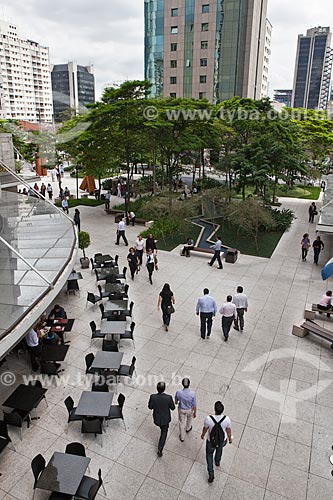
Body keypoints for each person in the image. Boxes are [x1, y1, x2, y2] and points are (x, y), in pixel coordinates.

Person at [201, 401, 233, 483]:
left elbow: (205, 428)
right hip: (222, 440)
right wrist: (230, 438)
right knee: (220, 449)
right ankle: (217, 461)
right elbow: (228, 431)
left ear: (214, 409)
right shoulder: (226, 419)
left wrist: (202, 435)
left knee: (209, 455)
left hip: (211, 441)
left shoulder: (208, 419)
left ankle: (211, 473)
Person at [148, 381, 175, 457]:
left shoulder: (153, 397)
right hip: (165, 419)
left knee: (162, 429)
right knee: (164, 432)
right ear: (164, 389)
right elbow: (173, 408)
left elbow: (150, 407)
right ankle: (160, 448)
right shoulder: (168, 398)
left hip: (157, 419)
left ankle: (160, 447)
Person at [175, 378, 196, 442]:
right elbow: (194, 404)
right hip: (189, 409)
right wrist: (195, 412)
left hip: (181, 409)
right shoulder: (192, 393)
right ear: (189, 384)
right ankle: (188, 428)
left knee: (181, 422)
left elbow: (176, 401)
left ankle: (182, 437)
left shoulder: (178, 392)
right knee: (189, 419)